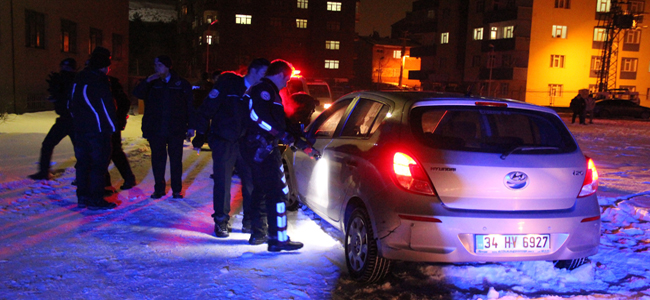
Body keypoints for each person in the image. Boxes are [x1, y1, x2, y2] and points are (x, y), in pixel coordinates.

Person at [242, 59, 319, 252]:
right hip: (262, 147)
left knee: (261, 190)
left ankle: (258, 233)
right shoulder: (263, 91)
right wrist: (281, 134)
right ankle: (278, 238)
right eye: (287, 79)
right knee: (278, 192)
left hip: (258, 147)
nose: (287, 83)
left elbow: (283, 123)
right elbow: (257, 117)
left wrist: (300, 142)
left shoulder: (268, 92)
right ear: (281, 75)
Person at [192, 58, 270, 240]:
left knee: (251, 182)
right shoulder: (229, 86)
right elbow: (206, 109)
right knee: (223, 181)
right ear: (253, 71)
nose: (265, 79)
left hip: (247, 143)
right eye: (263, 74)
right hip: (224, 140)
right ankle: (221, 220)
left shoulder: (260, 92)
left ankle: (249, 221)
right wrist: (200, 135)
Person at [132, 55, 195, 199]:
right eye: (155, 65)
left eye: (159, 65)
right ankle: (159, 188)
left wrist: (191, 126)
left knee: (176, 160)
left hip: (175, 128)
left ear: (168, 67)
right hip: (156, 128)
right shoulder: (152, 83)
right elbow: (137, 93)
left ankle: (176, 189)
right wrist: (147, 81)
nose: (156, 68)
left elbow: (190, 106)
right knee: (158, 160)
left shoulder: (180, 83)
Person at [68, 47, 117, 210]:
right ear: (103, 65)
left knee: (83, 163)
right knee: (98, 164)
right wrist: (111, 126)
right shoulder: (99, 80)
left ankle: (83, 195)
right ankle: (95, 198)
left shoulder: (80, 77)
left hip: (80, 128)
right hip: (98, 129)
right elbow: (106, 106)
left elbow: (71, 102)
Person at [28, 58, 78, 180]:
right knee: (47, 144)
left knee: (80, 148)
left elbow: (71, 98)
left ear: (73, 68)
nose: (65, 69)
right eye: (63, 66)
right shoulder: (61, 79)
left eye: (68, 67)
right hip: (64, 119)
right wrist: (56, 98)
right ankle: (44, 171)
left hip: (74, 120)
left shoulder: (76, 81)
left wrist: (59, 98)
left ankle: (84, 174)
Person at [105, 75, 137, 192]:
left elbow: (124, 102)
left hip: (111, 124)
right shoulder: (101, 81)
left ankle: (126, 178)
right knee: (112, 152)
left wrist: (119, 120)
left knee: (112, 151)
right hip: (105, 123)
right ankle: (125, 178)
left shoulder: (110, 83)